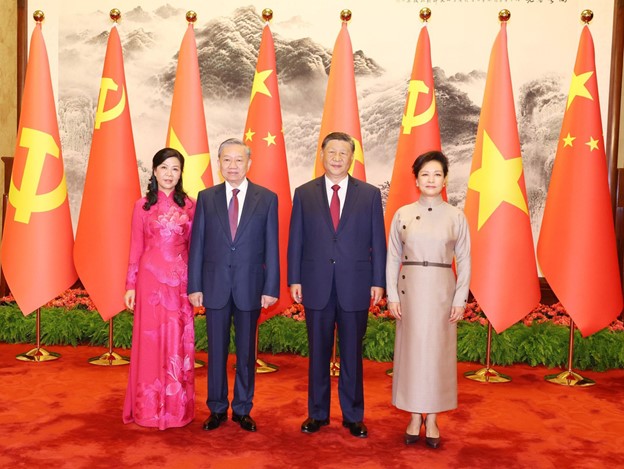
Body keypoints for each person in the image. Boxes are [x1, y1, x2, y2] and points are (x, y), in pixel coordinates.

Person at [288, 131, 386, 439]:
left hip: (355, 285)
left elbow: (377, 243)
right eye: (332, 152)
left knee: (352, 354)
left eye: (344, 153)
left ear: (352, 158)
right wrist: (294, 278)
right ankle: (316, 414)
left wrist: (378, 281)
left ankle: (353, 415)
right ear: (322, 155)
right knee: (318, 353)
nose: (337, 158)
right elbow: (296, 241)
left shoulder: (369, 194)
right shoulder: (304, 193)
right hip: (316, 284)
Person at [188, 138, 279, 433]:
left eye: (239, 160)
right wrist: (195, 285)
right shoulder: (207, 197)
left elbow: (271, 247)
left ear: (249, 163)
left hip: (250, 287)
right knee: (215, 352)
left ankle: (242, 408)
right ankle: (216, 408)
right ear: (219, 164)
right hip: (214, 286)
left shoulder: (266, 198)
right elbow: (197, 245)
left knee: (246, 354)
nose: (233, 166)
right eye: (227, 160)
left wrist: (270, 288)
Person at [386, 150, 471, 448]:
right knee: (410, 356)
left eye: (437, 174)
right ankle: (412, 415)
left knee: (437, 356)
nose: (431, 179)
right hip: (409, 292)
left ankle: (432, 417)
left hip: (441, 293)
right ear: (417, 180)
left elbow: (465, 259)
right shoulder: (403, 213)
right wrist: (392, 295)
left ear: (445, 178)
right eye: (425, 174)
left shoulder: (456, 215)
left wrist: (460, 298)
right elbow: (392, 257)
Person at [123, 147, 196, 430]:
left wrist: (196, 285)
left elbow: (194, 248)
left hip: (180, 284)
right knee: (150, 343)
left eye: (175, 169)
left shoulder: (190, 205)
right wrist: (130, 284)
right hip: (150, 283)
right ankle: (149, 410)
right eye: (164, 168)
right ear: (154, 171)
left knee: (179, 342)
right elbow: (135, 248)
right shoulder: (142, 206)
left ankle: (177, 410)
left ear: (181, 174)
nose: (169, 174)